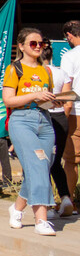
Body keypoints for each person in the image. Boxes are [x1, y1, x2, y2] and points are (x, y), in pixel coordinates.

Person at [3, 28, 65, 235]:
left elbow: (45, 97)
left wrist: (53, 100)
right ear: (21, 46)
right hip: (22, 121)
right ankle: (41, 219)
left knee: (41, 168)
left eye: (42, 43)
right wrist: (34, 95)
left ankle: (17, 208)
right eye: (33, 43)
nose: (39, 46)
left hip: (44, 120)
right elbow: (9, 100)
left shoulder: (46, 70)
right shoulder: (14, 69)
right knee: (38, 164)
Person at [41, 42, 75, 218]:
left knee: (41, 162)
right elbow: (68, 101)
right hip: (61, 117)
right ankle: (66, 197)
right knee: (56, 161)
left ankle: (46, 204)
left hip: (43, 117)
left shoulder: (36, 73)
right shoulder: (61, 72)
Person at [60, 20, 80, 204]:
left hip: (76, 112)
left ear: (69, 35)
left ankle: (69, 201)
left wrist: (63, 113)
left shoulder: (70, 56)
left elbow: (66, 87)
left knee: (71, 160)